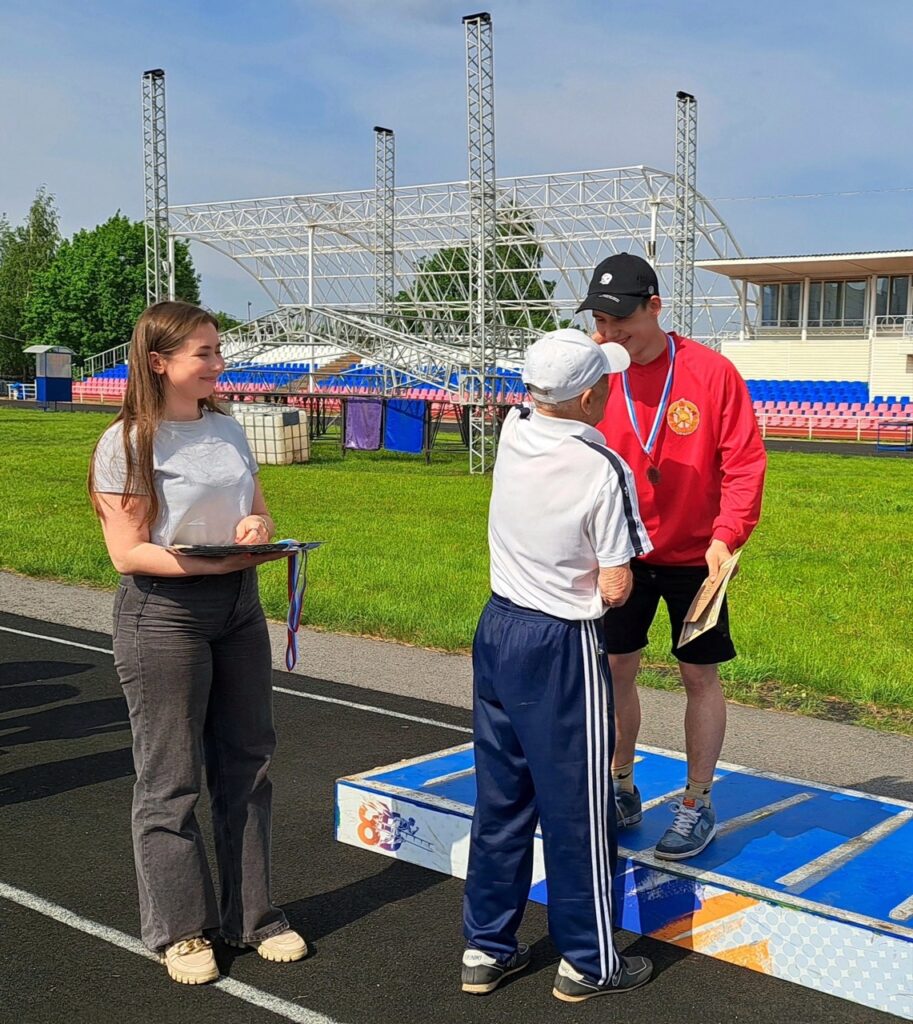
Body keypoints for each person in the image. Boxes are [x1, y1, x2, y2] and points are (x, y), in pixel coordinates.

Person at [88, 301, 307, 984]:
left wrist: (252, 530)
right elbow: (126, 553)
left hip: (237, 605)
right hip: (165, 615)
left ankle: (255, 917)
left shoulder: (228, 428)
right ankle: (181, 931)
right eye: (203, 353)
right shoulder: (126, 441)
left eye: (218, 351)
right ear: (159, 363)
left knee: (248, 763)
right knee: (170, 778)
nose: (218, 363)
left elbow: (258, 506)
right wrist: (204, 563)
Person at [461, 329, 654, 1003]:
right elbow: (615, 585)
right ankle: (590, 961)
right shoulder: (601, 466)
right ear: (588, 392)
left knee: (502, 798)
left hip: (498, 627)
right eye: (602, 380)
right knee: (578, 808)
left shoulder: (515, 427)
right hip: (559, 640)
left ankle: (485, 947)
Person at [575, 252, 767, 860]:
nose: (608, 336)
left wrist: (727, 536)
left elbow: (744, 462)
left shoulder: (712, 374)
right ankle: (621, 784)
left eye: (620, 323)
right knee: (616, 670)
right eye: (599, 324)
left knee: (698, 676)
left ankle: (696, 801)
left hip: (695, 556)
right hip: (621, 552)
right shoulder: (597, 371)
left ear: (654, 307)